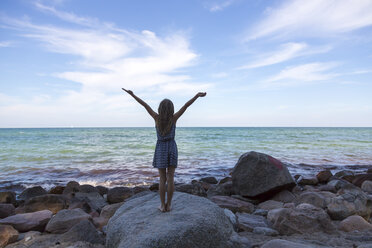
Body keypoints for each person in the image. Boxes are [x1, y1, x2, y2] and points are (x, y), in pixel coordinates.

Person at [122, 88, 206, 212]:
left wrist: (133, 94)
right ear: (171, 109)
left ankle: (162, 205)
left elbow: (144, 105)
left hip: (160, 148)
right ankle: (169, 204)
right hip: (171, 147)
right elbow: (186, 105)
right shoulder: (174, 118)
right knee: (171, 177)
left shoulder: (156, 118)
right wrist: (196, 96)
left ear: (160, 108)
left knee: (162, 178)